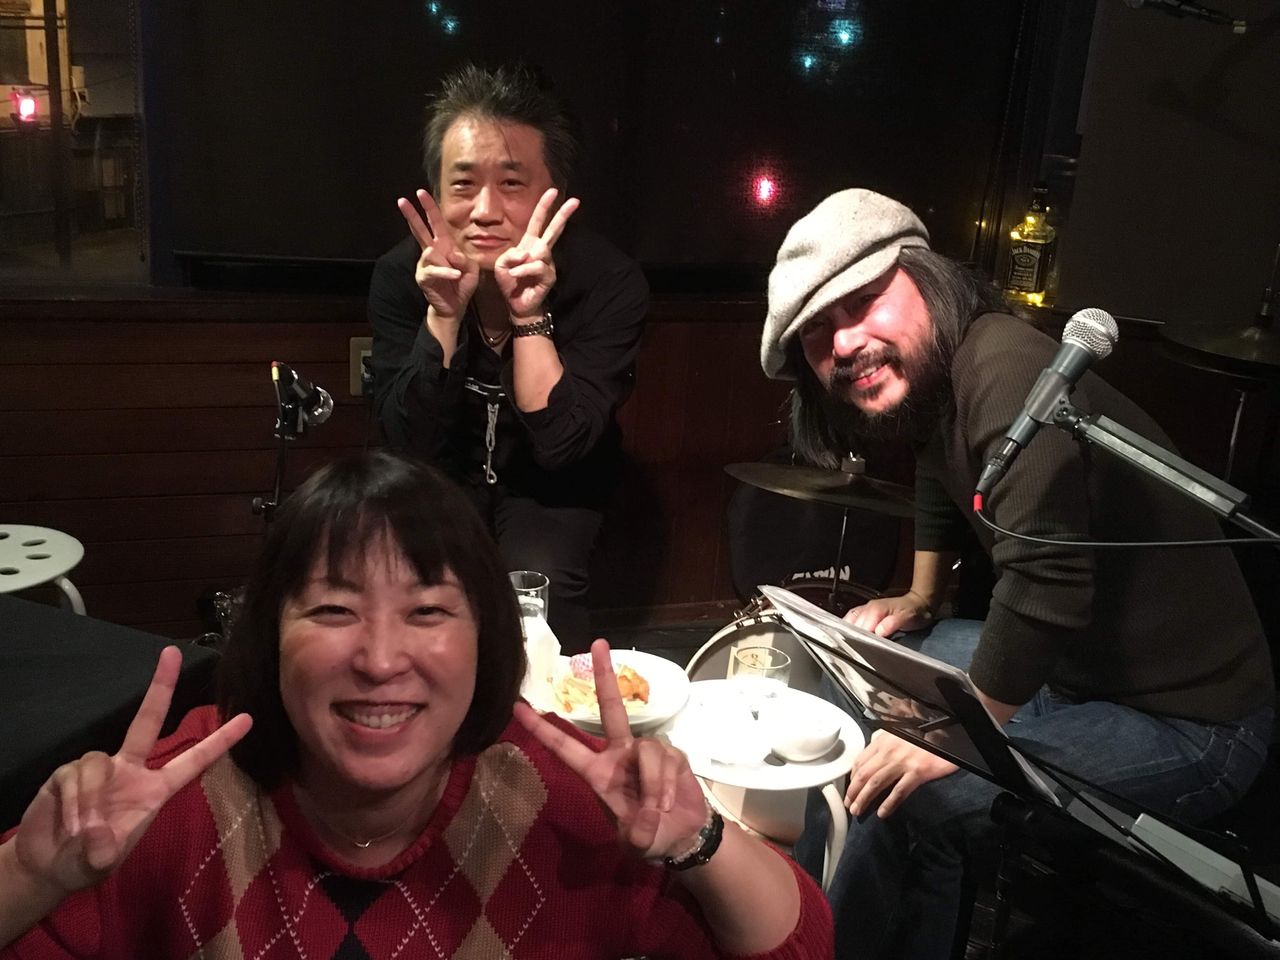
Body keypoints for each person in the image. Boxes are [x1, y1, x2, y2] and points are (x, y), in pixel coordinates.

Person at [0, 451, 831, 959]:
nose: (380, 658)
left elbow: (798, 945)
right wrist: (34, 874)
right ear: (269, 632)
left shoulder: (558, 801)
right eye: (333, 609)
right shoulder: (170, 805)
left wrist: (697, 837)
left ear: (486, 639)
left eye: (428, 612)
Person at [759, 188, 1276, 959]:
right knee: (861, 684)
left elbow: (1048, 583)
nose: (844, 342)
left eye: (862, 302)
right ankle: (804, 926)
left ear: (926, 275)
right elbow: (938, 472)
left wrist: (950, 741)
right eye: (817, 332)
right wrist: (923, 596)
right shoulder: (941, 379)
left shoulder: (1004, 365)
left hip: (1193, 722)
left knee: (918, 800)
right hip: (1075, 673)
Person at [368, 64, 649, 654]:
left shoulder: (608, 281)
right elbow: (409, 442)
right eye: (463, 185)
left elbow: (563, 443)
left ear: (554, 195)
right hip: (445, 473)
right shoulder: (400, 277)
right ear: (435, 191)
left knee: (540, 587)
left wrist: (529, 314)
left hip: (555, 484)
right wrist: (443, 315)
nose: (485, 211)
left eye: (512, 184)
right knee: (424, 585)